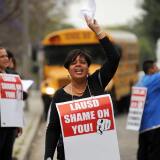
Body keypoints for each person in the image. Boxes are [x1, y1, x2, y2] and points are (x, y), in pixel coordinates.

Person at [44, 16, 120, 160]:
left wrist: (98, 31)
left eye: (83, 62)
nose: (78, 65)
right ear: (68, 69)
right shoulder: (60, 95)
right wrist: (48, 156)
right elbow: (53, 129)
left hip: (97, 153)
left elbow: (114, 58)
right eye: (73, 63)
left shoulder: (97, 82)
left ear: (87, 67)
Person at [0, 47, 23, 160]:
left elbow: (17, 101)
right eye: (2, 56)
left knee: (7, 154)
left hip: (11, 124)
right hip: (1, 124)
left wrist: (19, 122)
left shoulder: (12, 74)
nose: (6, 58)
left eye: (6, 56)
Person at [136, 60, 160, 160]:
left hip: (142, 126)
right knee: (155, 153)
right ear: (151, 70)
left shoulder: (140, 82)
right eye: (156, 67)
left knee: (143, 152)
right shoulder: (155, 78)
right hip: (155, 124)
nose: (158, 69)